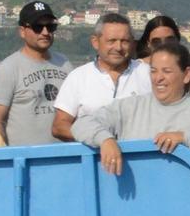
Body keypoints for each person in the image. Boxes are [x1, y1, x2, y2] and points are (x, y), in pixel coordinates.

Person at [71, 38, 190, 175]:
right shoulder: (130, 106)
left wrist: (186, 138)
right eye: (154, 71)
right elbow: (81, 124)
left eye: (166, 71)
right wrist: (105, 140)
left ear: (186, 75)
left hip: (185, 207)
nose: (158, 78)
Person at [50, 12, 151, 141]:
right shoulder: (78, 77)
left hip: (141, 157)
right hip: (93, 158)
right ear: (95, 42)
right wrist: (97, 138)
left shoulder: (147, 74)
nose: (118, 47)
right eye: (111, 41)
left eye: (124, 41)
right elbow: (60, 126)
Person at [0, 1, 70, 146]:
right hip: (25, 161)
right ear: (22, 31)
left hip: (65, 158)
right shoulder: (9, 68)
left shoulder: (65, 63)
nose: (45, 32)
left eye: (50, 26)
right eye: (38, 27)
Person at [139, 13, 190, 96]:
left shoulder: (185, 71)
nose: (163, 45)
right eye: (156, 42)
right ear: (148, 43)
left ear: (177, 40)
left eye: (169, 40)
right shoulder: (135, 70)